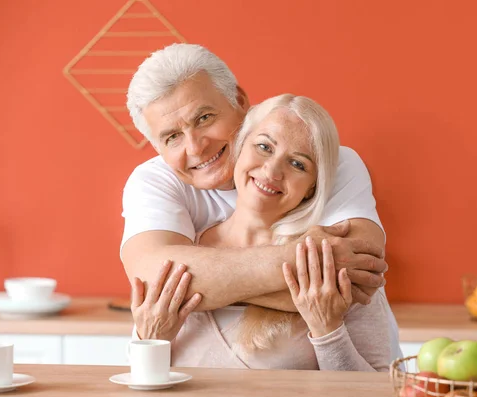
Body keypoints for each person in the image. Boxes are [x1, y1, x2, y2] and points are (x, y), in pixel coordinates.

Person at [121, 43, 397, 341]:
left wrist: (206, 281)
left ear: (239, 100)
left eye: (204, 118)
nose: (196, 147)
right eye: (172, 137)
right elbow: (152, 281)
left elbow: (354, 280)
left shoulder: (332, 162)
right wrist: (302, 261)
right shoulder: (153, 181)